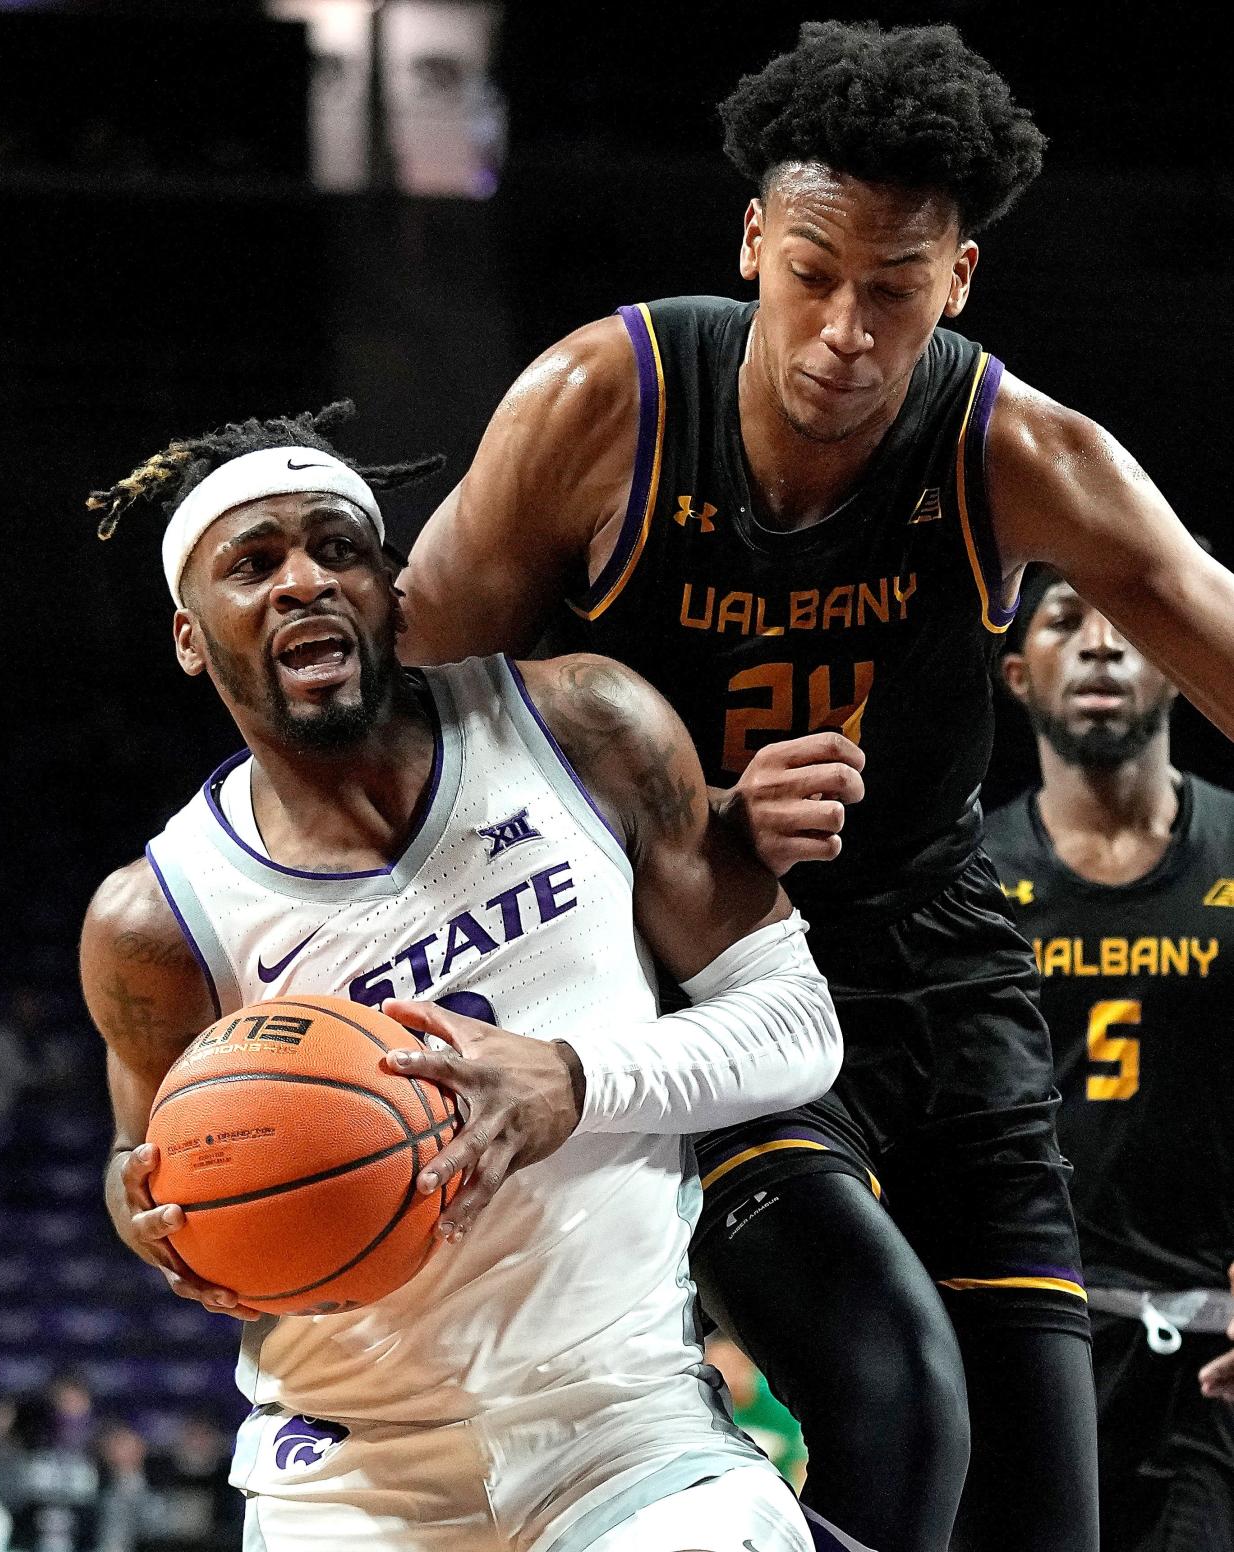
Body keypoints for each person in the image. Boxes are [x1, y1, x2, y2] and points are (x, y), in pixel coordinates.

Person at [396, 19, 1234, 1551]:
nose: (845, 328)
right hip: (694, 973)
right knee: (894, 1397)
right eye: (812, 272)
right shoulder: (602, 405)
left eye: (894, 288)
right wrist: (691, 808)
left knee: (1046, 1514)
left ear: (958, 281)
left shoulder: (1012, 448)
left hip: (937, 965)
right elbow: (414, 736)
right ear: (751, 242)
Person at [78, 402, 847, 1552]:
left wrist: (572, 1079)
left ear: (392, 589)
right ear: (192, 635)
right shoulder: (154, 919)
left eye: (339, 548)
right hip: (350, 1469)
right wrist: (161, 1219)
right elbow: (150, 1183)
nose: (304, 582)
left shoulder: (583, 725)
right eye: (256, 563)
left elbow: (797, 1024)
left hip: (625, 1426)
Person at [985, 569, 1234, 1548]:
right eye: (1063, 619)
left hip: (1212, 1364)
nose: (1099, 642)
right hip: (1028, 1349)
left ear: (1179, 666)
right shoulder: (970, 874)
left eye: (1128, 619)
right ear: (1016, 673)